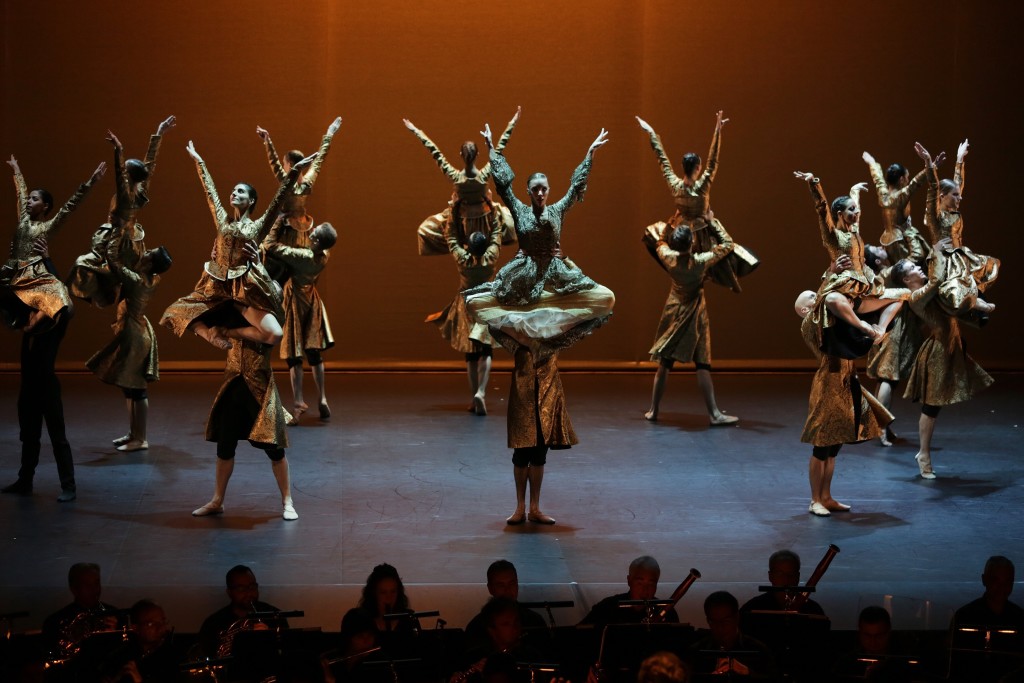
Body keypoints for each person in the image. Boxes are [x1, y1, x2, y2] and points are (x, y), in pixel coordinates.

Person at [465, 123, 615, 526]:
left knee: (604, 298)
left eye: (545, 188)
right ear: (530, 190)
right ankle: (519, 506)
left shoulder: (557, 208)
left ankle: (534, 507)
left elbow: (576, 186)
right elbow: (503, 184)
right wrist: (494, 148)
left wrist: (590, 151)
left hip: (556, 276)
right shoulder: (518, 206)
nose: (541, 192)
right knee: (479, 301)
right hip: (527, 276)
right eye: (537, 188)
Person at [159, 140, 315, 350]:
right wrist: (199, 161)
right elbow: (210, 191)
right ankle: (211, 334)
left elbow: (279, 199)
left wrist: (295, 170)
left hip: (244, 290)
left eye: (241, 192)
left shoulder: (258, 226)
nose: (234, 193)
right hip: (217, 286)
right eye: (233, 190)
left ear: (251, 201)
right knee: (173, 313)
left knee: (274, 334)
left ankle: (225, 331)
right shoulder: (223, 220)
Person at [189, 251, 299, 519]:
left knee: (274, 448)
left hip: (258, 383)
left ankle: (287, 501)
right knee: (224, 447)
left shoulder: (269, 300)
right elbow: (193, 314)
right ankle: (217, 500)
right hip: (233, 381)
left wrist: (229, 327)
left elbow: (270, 335)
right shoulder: (237, 299)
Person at [794, 282, 896, 516]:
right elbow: (826, 299)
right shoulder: (809, 324)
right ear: (805, 310)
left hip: (846, 380)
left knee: (834, 446)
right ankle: (814, 499)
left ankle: (826, 496)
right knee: (821, 445)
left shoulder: (833, 324)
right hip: (828, 384)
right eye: (811, 295)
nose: (818, 295)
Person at [892, 252, 993, 479]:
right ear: (907, 280)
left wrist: (979, 310)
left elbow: (952, 310)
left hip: (952, 345)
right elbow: (937, 280)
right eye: (913, 269)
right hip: (938, 352)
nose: (919, 269)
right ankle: (924, 454)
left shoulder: (931, 293)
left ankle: (924, 453)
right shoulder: (916, 296)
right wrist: (937, 250)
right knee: (931, 406)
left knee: (935, 406)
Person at [636, 111, 758, 293]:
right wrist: (717, 132)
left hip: (679, 230)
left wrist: (651, 133)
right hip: (702, 234)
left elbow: (662, 159)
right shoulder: (702, 187)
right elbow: (713, 161)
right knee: (728, 253)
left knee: (668, 248)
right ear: (698, 168)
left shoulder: (674, 184)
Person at [642, 210, 740, 425]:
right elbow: (727, 244)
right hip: (695, 311)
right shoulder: (700, 262)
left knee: (665, 363)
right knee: (702, 364)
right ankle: (714, 413)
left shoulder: (668, 257)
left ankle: (653, 410)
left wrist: (669, 222)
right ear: (692, 241)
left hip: (674, 309)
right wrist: (711, 221)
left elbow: (659, 241)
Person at [793, 170, 910, 348]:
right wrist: (813, 184)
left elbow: (858, 211)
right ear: (839, 214)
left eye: (856, 209)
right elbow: (822, 209)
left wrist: (854, 191)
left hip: (865, 287)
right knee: (832, 300)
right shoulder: (833, 236)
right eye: (851, 210)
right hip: (846, 288)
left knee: (903, 294)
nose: (856, 213)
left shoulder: (854, 230)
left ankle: (879, 330)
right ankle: (863, 327)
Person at [67, 116, 174, 308]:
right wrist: (158, 134)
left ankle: (97, 294)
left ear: (129, 176)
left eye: (126, 172)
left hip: (118, 236)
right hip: (134, 237)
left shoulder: (126, 196)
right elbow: (150, 164)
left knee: (83, 263)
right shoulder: (141, 190)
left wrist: (119, 150)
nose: (123, 174)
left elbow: (119, 173)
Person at [85, 219, 172, 453]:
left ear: (149, 261)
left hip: (134, 335)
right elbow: (140, 255)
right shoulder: (150, 275)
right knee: (129, 386)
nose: (144, 252)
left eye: (148, 252)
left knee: (137, 388)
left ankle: (141, 437)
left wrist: (115, 235)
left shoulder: (137, 279)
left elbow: (113, 262)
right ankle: (133, 433)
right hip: (134, 331)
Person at [2, 237, 79, 501]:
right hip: (29, 386)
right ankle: (25, 481)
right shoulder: (27, 317)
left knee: (58, 436)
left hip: (46, 384)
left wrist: (48, 260)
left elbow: (58, 291)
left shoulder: (53, 324)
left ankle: (68, 486)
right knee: (29, 435)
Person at [2, 155, 105, 331]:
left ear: (45, 206)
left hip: (33, 275)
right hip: (12, 271)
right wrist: (16, 170)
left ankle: (33, 319)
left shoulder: (47, 227)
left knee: (59, 295)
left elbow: (69, 207)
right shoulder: (24, 220)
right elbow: (21, 191)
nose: (28, 201)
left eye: (34, 199)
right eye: (29, 199)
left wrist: (91, 182)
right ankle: (17, 315)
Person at [263, 222, 337, 424]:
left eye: (314, 232)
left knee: (294, 355)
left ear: (316, 240)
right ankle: (321, 396)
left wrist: (279, 222)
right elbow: (324, 240)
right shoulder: (325, 254)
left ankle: (298, 402)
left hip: (295, 300)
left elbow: (270, 245)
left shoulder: (302, 257)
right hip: (312, 299)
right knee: (314, 352)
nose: (311, 231)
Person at [915, 140, 999, 318]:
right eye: (955, 195)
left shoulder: (954, 210)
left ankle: (974, 298)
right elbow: (933, 188)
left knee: (991, 265)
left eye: (959, 195)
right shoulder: (935, 216)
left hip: (959, 256)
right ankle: (972, 302)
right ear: (942, 196)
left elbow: (957, 184)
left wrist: (960, 159)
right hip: (943, 259)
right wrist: (929, 164)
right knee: (955, 291)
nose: (959, 198)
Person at [255, 117, 341, 284]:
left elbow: (273, 163)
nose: (283, 166)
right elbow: (319, 160)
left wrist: (267, 142)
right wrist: (329, 134)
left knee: (276, 258)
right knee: (302, 266)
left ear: (291, 164)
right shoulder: (307, 182)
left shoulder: (287, 183)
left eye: (285, 163)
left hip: (287, 228)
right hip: (304, 228)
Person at [198, 565, 288, 659]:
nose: (249, 593)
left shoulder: (275, 616)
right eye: (241, 589)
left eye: (252, 587)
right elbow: (207, 657)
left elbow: (286, 657)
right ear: (229, 592)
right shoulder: (213, 623)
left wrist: (269, 639)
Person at [862, 151, 931, 266]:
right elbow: (915, 183)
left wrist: (872, 163)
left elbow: (878, 179)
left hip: (888, 241)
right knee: (908, 270)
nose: (908, 180)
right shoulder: (899, 197)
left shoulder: (883, 196)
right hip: (901, 240)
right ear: (901, 179)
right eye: (906, 177)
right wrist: (929, 167)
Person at [465, 560, 548, 648]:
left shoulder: (535, 621)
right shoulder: (476, 627)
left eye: (511, 584)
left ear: (517, 585)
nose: (507, 590)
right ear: (490, 589)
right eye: (501, 585)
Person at [579, 556, 679, 627]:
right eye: (639, 583)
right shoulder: (607, 608)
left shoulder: (668, 613)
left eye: (651, 584)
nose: (645, 590)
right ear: (629, 581)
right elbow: (578, 634)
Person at [42, 563, 121, 652]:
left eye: (96, 583)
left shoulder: (114, 614)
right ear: (74, 589)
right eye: (87, 584)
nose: (94, 589)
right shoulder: (55, 622)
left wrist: (114, 635)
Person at [100, 599, 180, 683]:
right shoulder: (122, 655)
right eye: (151, 624)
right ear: (136, 628)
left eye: (162, 621)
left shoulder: (172, 656)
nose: (160, 627)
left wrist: (140, 680)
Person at [739, 549, 827, 618]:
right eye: (780, 574)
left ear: (798, 577)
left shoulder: (813, 609)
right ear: (770, 576)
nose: (786, 579)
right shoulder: (753, 607)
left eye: (791, 574)